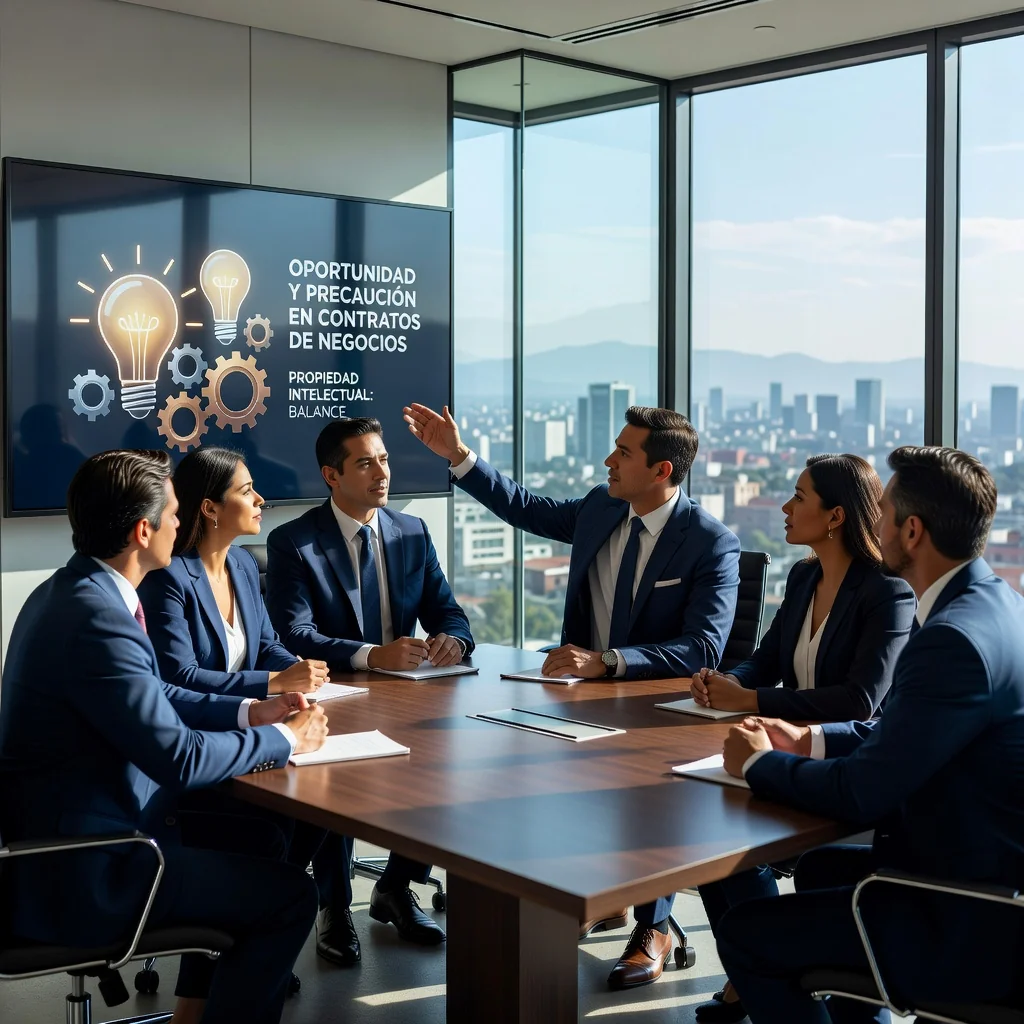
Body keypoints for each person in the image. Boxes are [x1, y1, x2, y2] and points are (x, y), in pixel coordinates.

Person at [404, 400, 740, 990]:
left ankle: (654, 925)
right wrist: (458, 456)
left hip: (656, 709)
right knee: (495, 753)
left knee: (643, 795)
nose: (608, 460)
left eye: (624, 453)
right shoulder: (599, 507)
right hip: (578, 696)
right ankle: (592, 894)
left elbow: (703, 647)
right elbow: (526, 508)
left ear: (662, 471)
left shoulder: (710, 542)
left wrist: (608, 663)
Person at [0, 449, 329, 1024]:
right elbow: (178, 757)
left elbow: (155, 696)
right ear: (143, 529)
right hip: (91, 869)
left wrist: (254, 712)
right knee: (292, 900)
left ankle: (194, 1010)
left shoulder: (72, 592)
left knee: (261, 841)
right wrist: (287, 740)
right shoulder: (97, 617)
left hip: (78, 834)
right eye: (174, 514)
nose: (181, 526)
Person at [716, 446, 1024, 1024]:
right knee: (816, 871)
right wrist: (809, 741)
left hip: (966, 916)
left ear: (911, 531)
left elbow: (864, 793)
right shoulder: (999, 605)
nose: (871, 521)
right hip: (979, 874)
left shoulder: (952, 638)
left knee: (745, 934)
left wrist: (757, 764)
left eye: (880, 510)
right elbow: (907, 730)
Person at [689, 454, 916, 1023]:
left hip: (849, 766)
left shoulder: (887, 591)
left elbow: (861, 700)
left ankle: (771, 972)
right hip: (788, 752)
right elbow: (765, 659)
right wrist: (727, 683)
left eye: (797, 498)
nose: (785, 509)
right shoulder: (803, 576)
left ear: (835, 515)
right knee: (716, 857)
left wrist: (756, 703)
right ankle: (760, 970)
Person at [138, 446, 362, 969]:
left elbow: (266, 644)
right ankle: (247, 936)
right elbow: (178, 677)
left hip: (251, 732)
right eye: (246, 491)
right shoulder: (170, 577)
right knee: (279, 820)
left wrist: (304, 671)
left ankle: (249, 935)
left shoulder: (242, 563)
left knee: (322, 805)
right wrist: (270, 682)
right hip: (202, 745)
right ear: (210, 508)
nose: (261, 500)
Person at [267, 417, 474, 947]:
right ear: (331, 476)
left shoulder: (411, 531)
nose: (381, 472)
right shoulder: (295, 541)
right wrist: (371, 655)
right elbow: (294, 633)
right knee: (333, 777)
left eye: (383, 459)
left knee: (441, 765)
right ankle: (333, 907)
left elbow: (448, 612)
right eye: (365, 462)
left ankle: (397, 886)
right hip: (333, 694)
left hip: (407, 695)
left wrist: (454, 640)